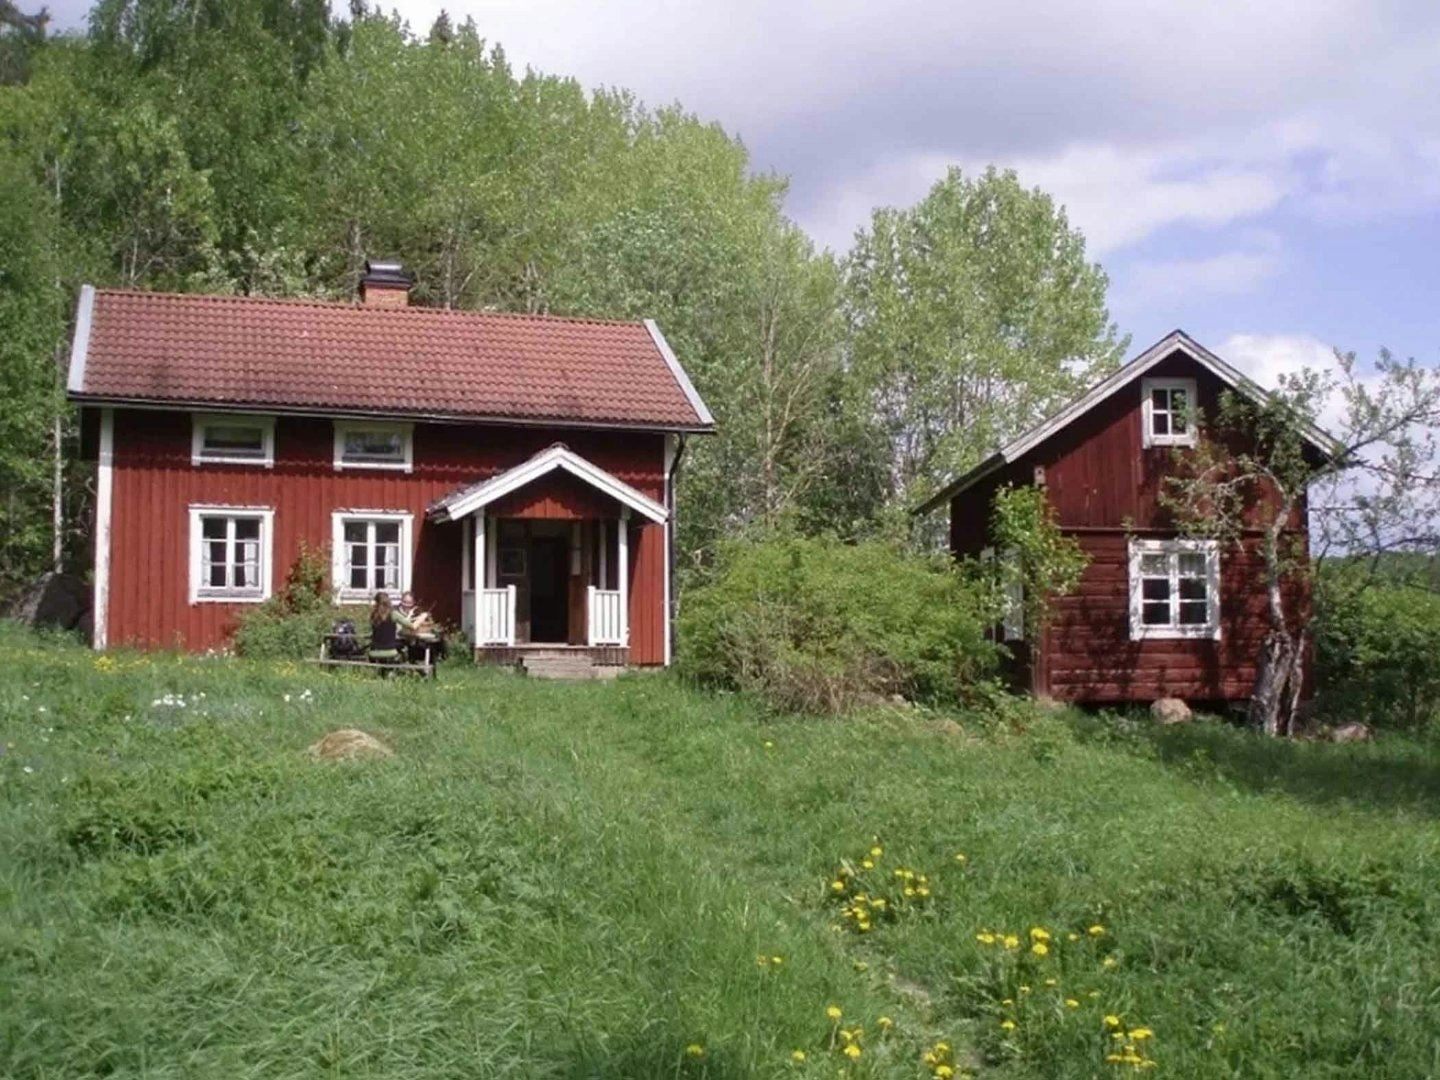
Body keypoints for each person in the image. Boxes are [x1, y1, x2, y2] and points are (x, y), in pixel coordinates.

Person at [367, 592, 414, 663]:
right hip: (390, 650)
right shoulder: (393, 614)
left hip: (374, 651)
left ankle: (386, 670)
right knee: (405, 644)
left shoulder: (373, 615)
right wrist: (422, 616)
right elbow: (411, 626)